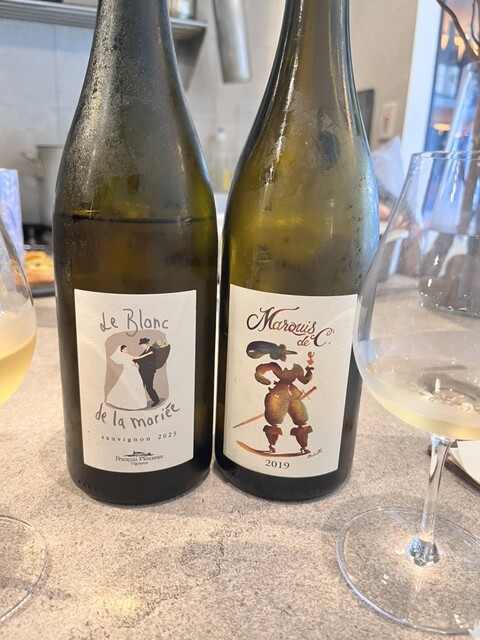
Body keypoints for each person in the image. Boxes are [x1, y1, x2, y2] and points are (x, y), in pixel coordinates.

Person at [106, 344, 148, 410]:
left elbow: (136, 358)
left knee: (136, 385)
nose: (126, 350)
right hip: (128, 372)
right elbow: (130, 361)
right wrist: (133, 364)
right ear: (122, 350)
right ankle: (125, 402)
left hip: (134, 372)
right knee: (127, 385)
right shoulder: (122, 356)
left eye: (126, 349)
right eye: (125, 349)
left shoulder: (128, 355)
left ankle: (136, 402)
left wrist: (146, 355)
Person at [133, 337, 160, 407]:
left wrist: (137, 362)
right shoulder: (146, 351)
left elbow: (146, 360)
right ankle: (139, 402)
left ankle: (156, 400)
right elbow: (140, 357)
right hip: (143, 371)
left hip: (149, 371)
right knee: (141, 386)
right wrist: (133, 360)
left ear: (146, 344)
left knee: (149, 387)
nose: (142, 346)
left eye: (142, 345)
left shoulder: (152, 350)